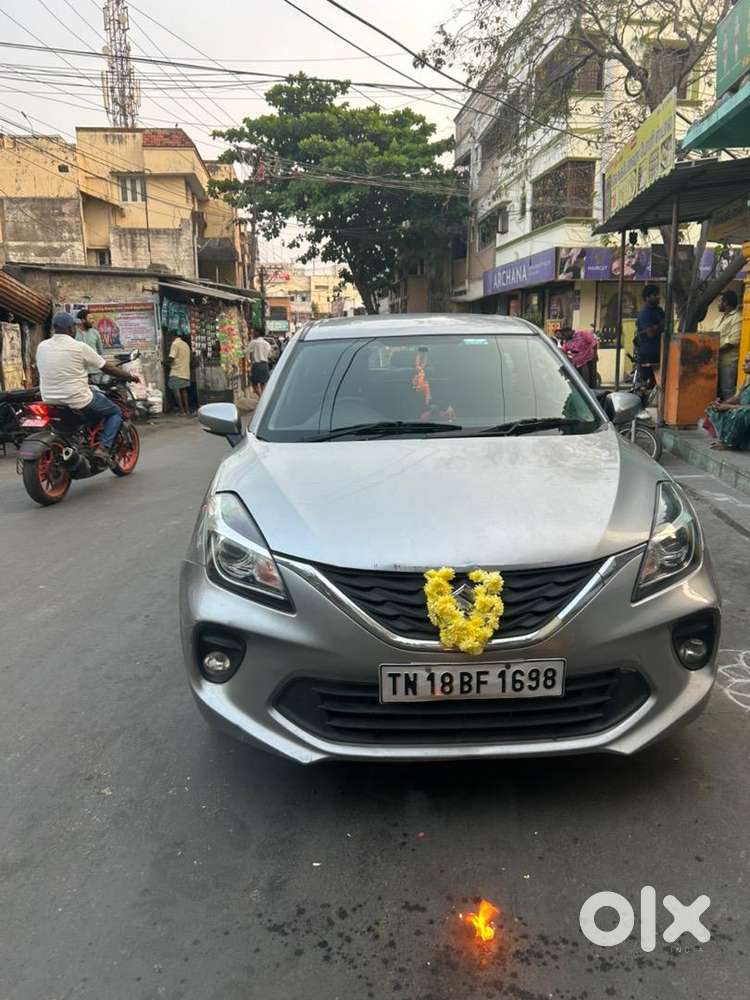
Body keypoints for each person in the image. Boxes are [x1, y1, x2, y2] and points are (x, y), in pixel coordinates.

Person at [36, 312, 139, 463]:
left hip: (49, 400)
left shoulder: (42, 346)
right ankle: (102, 448)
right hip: (77, 399)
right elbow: (107, 368)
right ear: (71, 329)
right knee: (114, 411)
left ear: (54, 329)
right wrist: (129, 376)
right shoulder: (79, 347)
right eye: (74, 326)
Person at [704, 352, 750, 451]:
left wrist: (728, 407)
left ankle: (730, 443)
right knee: (713, 409)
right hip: (740, 408)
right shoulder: (748, 378)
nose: (743, 364)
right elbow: (737, 397)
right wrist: (722, 404)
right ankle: (723, 439)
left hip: (745, 412)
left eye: (747, 362)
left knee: (740, 414)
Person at [634, 284, 665, 391]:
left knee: (659, 386)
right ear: (647, 297)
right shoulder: (645, 313)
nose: (658, 297)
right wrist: (660, 326)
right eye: (655, 295)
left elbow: (667, 326)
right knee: (646, 388)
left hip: (660, 354)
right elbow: (650, 333)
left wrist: (659, 326)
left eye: (658, 295)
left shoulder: (659, 311)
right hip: (647, 355)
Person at [716, 289, 742, 400]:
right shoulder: (719, 318)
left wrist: (714, 351)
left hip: (728, 363)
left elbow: (733, 342)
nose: (718, 304)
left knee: (727, 392)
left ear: (725, 303)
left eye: (719, 301)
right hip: (716, 361)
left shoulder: (737, 317)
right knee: (716, 392)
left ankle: (730, 416)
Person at [167, 331, 191, 415]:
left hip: (176, 371)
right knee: (184, 391)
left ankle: (182, 411)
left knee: (176, 390)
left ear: (172, 336)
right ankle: (187, 410)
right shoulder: (185, 345)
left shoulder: (175, 344)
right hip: (185, 371)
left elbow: (171, 357)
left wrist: (165, 363)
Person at [249, 330, 271, 397]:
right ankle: (263, 398)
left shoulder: (253, 342)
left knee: (254, 384)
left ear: (257, 333)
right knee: (263, 384)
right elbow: (269, 355)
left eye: (254, 332)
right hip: (265, 365)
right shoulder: (267, 344)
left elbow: (249, 352)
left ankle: (261, 397)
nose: (252, 334)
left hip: (257, 365)